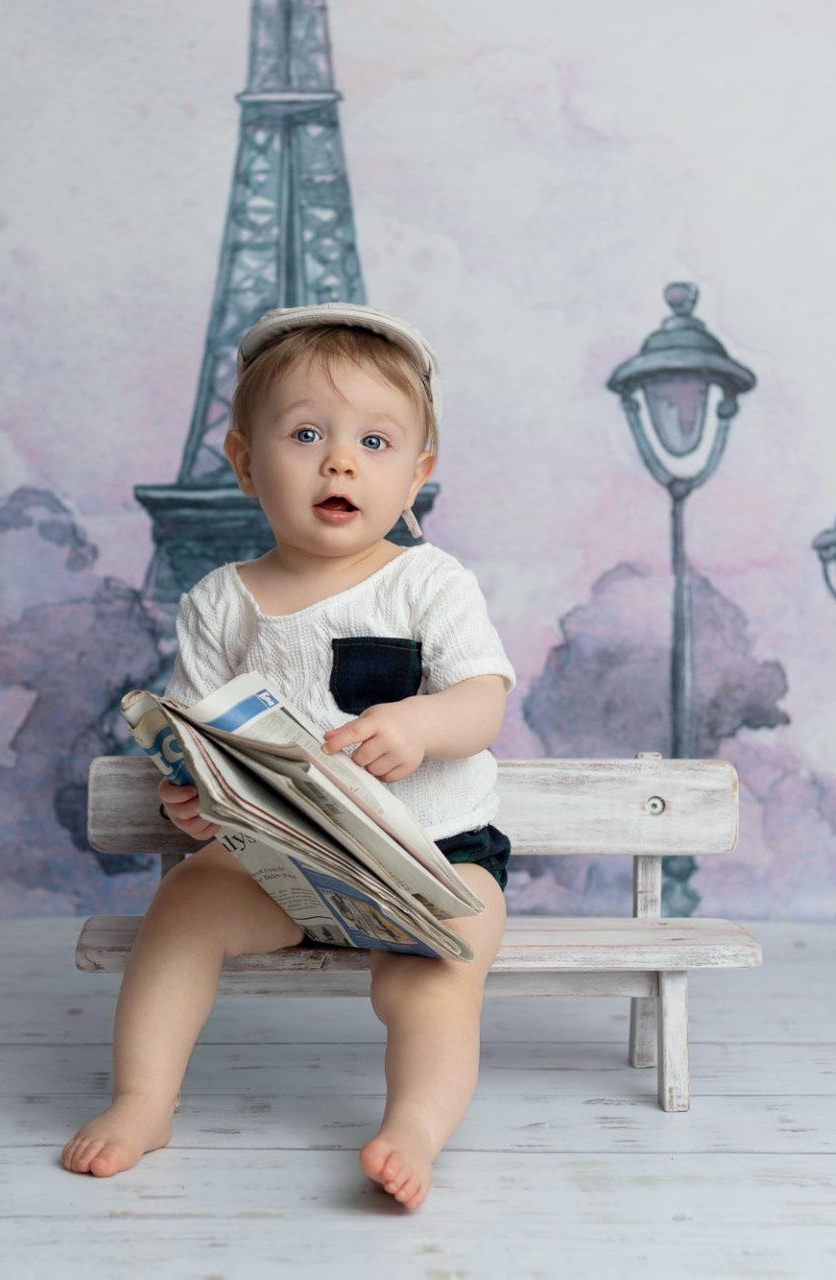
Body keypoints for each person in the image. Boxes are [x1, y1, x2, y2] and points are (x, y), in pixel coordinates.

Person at [62, 302, 518, 1212]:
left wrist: (423, 726)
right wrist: (195, 800)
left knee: (440, 977)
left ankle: (414, 1128)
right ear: (242, 461)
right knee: (183, 908)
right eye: (306, 433)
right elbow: (204, 744)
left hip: (431, 855)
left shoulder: (431, 580)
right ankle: (145, 1100)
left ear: (419, 474)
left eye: (376, 442)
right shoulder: (219, 601)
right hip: (279, 859)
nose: (340, 460)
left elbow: (484, 701)